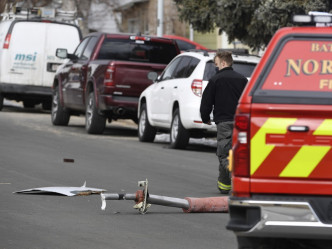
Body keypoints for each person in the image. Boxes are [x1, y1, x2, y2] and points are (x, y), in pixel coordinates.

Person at [200, 51, 248, 194]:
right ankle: (224, 185)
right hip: (241, 123)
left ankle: (235, 173)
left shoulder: (216, 80)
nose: (216, 67)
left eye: (216, 64)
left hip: (224, 123)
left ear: (223, 63)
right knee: (239, 151)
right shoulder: (242, 80)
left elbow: (206, 101)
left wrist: (205, 117)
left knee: (224, 153)